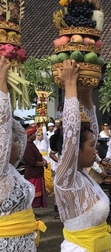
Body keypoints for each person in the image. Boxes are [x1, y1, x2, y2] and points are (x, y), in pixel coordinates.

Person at [54, 59, 111, 252]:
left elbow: (89, 134)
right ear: (75, 149)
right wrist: (70, 86)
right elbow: (72, 134)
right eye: (90, 146)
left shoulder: (83, 174)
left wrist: (87, 93)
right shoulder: (66, 178)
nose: (95, 150)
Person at [0, 56, 46, 251]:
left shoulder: (10, 170)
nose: (19, 143)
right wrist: (1, 86)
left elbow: (8, 127)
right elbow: (2, 125)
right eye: (12, 140)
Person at [24, 126, 48, 218]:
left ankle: (32, 213)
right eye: (34, 134)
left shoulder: (31, 144)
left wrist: (43, 160)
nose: (35, 135)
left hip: (36, 173)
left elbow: (38, 155)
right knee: (32, 195)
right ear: (29, 135)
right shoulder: (27, 146)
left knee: (35, 194)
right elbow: (32, 162)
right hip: (32, 174)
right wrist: (42, 163)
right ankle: (30, 214)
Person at [34, 125, 54, 195]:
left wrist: (44, 126)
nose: (38, 137)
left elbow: (45, 134)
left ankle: (52, 190)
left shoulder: (46, 141)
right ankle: (42, 190)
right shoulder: (36, 143)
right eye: (37, 135)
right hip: (39, 162)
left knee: (47, 176)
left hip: (46, 161)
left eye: (40, 135)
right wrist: (36, 127)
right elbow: (35, 134)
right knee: (40, 177)